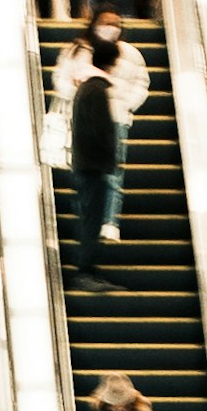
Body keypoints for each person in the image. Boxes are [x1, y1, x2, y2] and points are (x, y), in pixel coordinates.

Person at [64, 24, 148, 266]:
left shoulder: (87, 87)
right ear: (112, 63)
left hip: (84, 163)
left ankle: (86, 267)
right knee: (91, 219)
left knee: (88, 215)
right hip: (93, 166)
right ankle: (86, 270)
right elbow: (99, 131)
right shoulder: (97, 90)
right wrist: (108, 161)